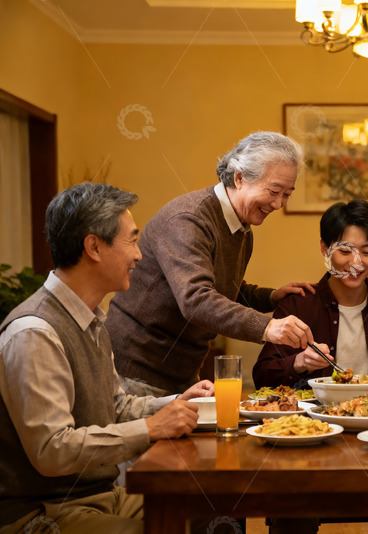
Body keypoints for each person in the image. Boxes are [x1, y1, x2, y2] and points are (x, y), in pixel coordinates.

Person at [0, 183, 213, 534]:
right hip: (42, 510)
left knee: (205, 505)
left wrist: (176, 404)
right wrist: (151, 428)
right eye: (131, 240)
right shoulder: (35, 332)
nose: (139, 255)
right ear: (94, 247)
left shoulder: (91, 320)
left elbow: (114, 406)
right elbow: (52, 450)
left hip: (99, 495)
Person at [253, 200, 368, 534]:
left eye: (367, 252)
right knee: (291, 510)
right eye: (345, 251)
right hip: (311, 435)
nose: (356, 263)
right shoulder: (298, 304)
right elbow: (262, 373)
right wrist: (297, 362)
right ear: (325, 249)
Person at [106, 132, 316, 397]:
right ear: (239, 178)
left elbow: (223, 289)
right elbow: (196, 299)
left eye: (287, 194)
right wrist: (267, 327)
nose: (278, 204)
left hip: (181, 373)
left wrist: (270, 297)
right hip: (138, 371)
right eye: (274, 191)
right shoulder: (189, 220)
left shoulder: (242, 226)